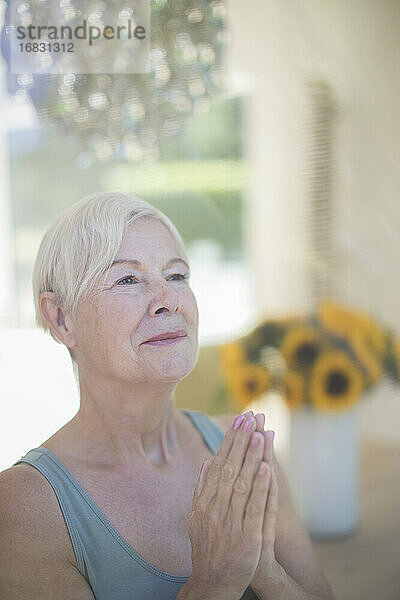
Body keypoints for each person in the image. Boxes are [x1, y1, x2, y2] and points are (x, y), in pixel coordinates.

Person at [0, 192, 336, 600]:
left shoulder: (243, 449)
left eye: (176, 276)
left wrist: (266, 574)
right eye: (128, 279)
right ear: (61, 318)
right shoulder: (24, 505)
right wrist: (215, 580)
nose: (169, 301)